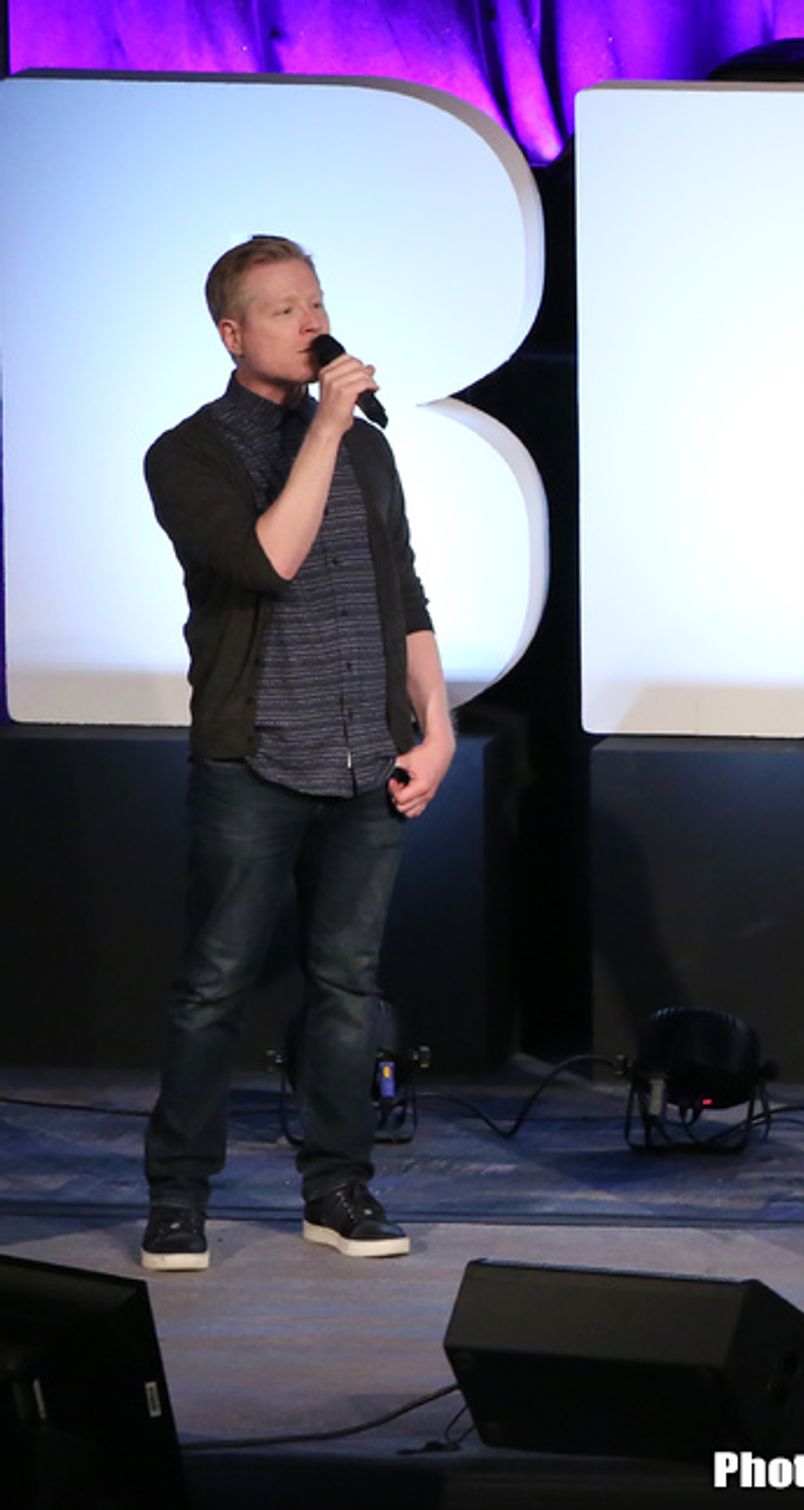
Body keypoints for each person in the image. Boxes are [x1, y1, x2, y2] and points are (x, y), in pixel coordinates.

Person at [140, 236, 454, 1271]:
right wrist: (323, 422)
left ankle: (338, 1186)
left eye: (315, 302)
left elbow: (399, 589)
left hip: (370, 751)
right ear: (232, 333)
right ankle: (179, 1195)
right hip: (255, 756)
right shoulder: (187, 454)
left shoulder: (365, 443)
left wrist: (436, 722)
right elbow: (269, 560)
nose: (309, 321)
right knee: (214, 982)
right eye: (282, 309)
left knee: (346, 985)